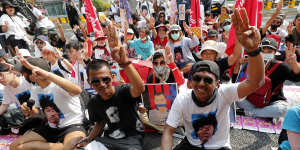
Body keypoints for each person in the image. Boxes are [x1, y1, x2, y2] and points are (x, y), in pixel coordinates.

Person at [161, 8, 265, 149]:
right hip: (191, 145)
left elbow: (256, 82)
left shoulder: (225, 93)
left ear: (217, 83)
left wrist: (253, 50)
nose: (201, 84)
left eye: (208, 80)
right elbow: (168, 131)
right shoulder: (182, 99)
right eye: (197, 79)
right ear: (190, 83)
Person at [77, 43, 145, 149]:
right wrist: (88, 139)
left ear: (112, 77)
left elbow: (140, 88)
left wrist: (125, 63)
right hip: (109, 140)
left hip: (132, 139)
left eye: (105, 79)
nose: (102, 84)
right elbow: (100, 123)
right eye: (96, 81)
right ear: (89, 82)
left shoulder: (124, 91)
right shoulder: (93, 103)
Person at [10, 56, 86, 150]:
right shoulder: (36, 90)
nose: (22, 76)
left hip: (72, 126)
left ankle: (64, 146)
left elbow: (77, 90)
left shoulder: (59, 84)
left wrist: (48, 75)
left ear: (33, 76)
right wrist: (28, 109)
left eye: (23, 73)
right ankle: (61, 146)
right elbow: (36, 112)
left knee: (68, 148)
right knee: (14, 146)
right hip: (51, 128)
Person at [236, 38, 300, 123]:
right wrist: (239, 66)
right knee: (237, 99)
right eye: (263, 50)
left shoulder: (281, 66)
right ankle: (266, 114)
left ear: (275, 52)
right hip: (253, 100)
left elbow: (297, 78)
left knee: (282, 109)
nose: (265, 53)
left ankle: (251, 113)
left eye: (269, 51)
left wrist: (293, 63)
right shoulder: (251, 63)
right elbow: (237, 83)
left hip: (272, 101)